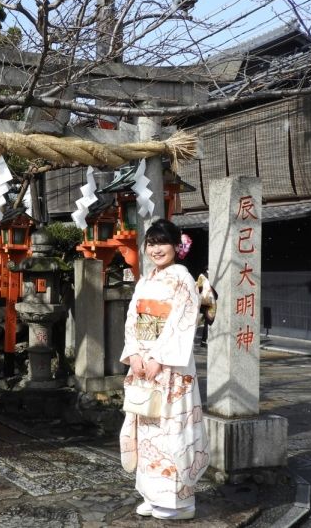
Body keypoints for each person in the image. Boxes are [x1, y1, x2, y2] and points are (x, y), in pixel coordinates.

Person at [119, 218, 209, 521]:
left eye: (163, 243)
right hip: (143, 364)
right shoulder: (146, 280)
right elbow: (133, 317)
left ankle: (179, 502)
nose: (156, 249)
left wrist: (157, 357)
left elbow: (181, 323)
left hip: (170, 366)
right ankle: (151, 493)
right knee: (146, 428)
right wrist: (134, 354)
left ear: (176, 246)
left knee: (172, 427)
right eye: (151, 243)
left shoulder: (183, 279)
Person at [196, 269, 217, 347]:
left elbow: (199, 288)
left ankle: (202, 341)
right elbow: (214, 292)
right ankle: (204, 341)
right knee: (207, 323)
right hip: (211, 303)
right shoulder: (213, 276)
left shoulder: (201, 276)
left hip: (203, 302)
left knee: (202, 320)